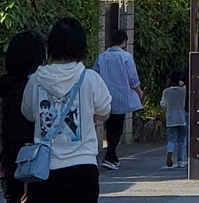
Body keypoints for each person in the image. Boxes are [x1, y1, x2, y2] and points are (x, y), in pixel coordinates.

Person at [21, 18, 113, 203]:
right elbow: (105, 112)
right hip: (83, 165)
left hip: (44, 169)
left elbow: (28, 114)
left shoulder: (35, 80)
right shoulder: (90, 78)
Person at [0, 30, 46, 203]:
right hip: (27, 164)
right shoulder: (28, 88)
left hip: (10, 162)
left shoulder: (9, 86)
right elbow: (24, 133)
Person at [94, 29, 141, 170]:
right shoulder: (125, 57)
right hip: (121, 96)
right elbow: (133, 78)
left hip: (106, 97)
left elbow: (95, 74)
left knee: (109, 127)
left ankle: (112, 157)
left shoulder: (102, 57)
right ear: (124, 42)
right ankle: (109, 156)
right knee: (118, 128)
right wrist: (139, 91)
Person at [161, 70, 188, 168]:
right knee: (182, 140)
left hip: (170, 118)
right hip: (182, 118)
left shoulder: (166, 91)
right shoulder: (184, 91)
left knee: (171, 139)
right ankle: (180, 161)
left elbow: (163, 105)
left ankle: (169, 151)